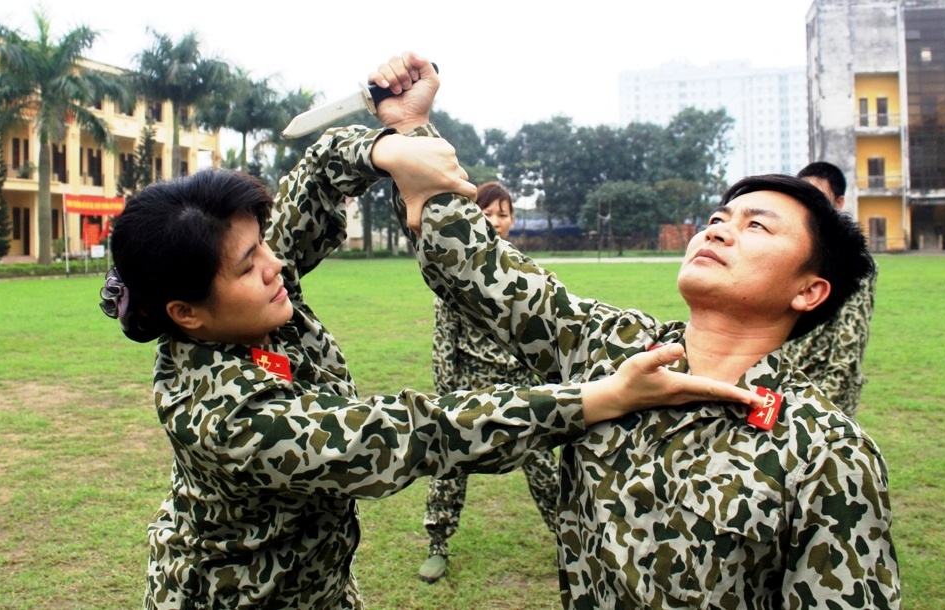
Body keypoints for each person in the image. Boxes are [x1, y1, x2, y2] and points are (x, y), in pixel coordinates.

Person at [99, 83, 765, 608]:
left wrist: (391, 140)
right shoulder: (226, 414)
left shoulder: (248, 299)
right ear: (186, 313)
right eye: (248, 265)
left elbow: (320, 178)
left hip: (318, 582)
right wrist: (598, 398)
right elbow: (412, 435)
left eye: (265, 245)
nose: (275, 266)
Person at [366, 52, 901, 609]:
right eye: (718, 218)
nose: (717, 231)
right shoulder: (614, 348)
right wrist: (409, 130)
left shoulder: (827, 452)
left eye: (756, 226)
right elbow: (482, 273)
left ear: (809, 290)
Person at [419, 181, 559, 584]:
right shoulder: (454, 272)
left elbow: (542, 335)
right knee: (450, 467)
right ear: (472, 215)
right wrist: (448, 399)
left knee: (544, 469)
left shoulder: (526, 271)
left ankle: (570, 541)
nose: (496, 221)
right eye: (488, 212)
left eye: (504, 213)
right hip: (471, 390)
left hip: (520, 389)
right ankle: (438, 544)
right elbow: (444, 343)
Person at [783, 161, 878, 418]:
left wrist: (820, 410)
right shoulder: (795, 253)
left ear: (838, 203)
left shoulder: (850, 262)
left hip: (821, 395)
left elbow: (848, 346)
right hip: (785, 384)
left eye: (819, 198)